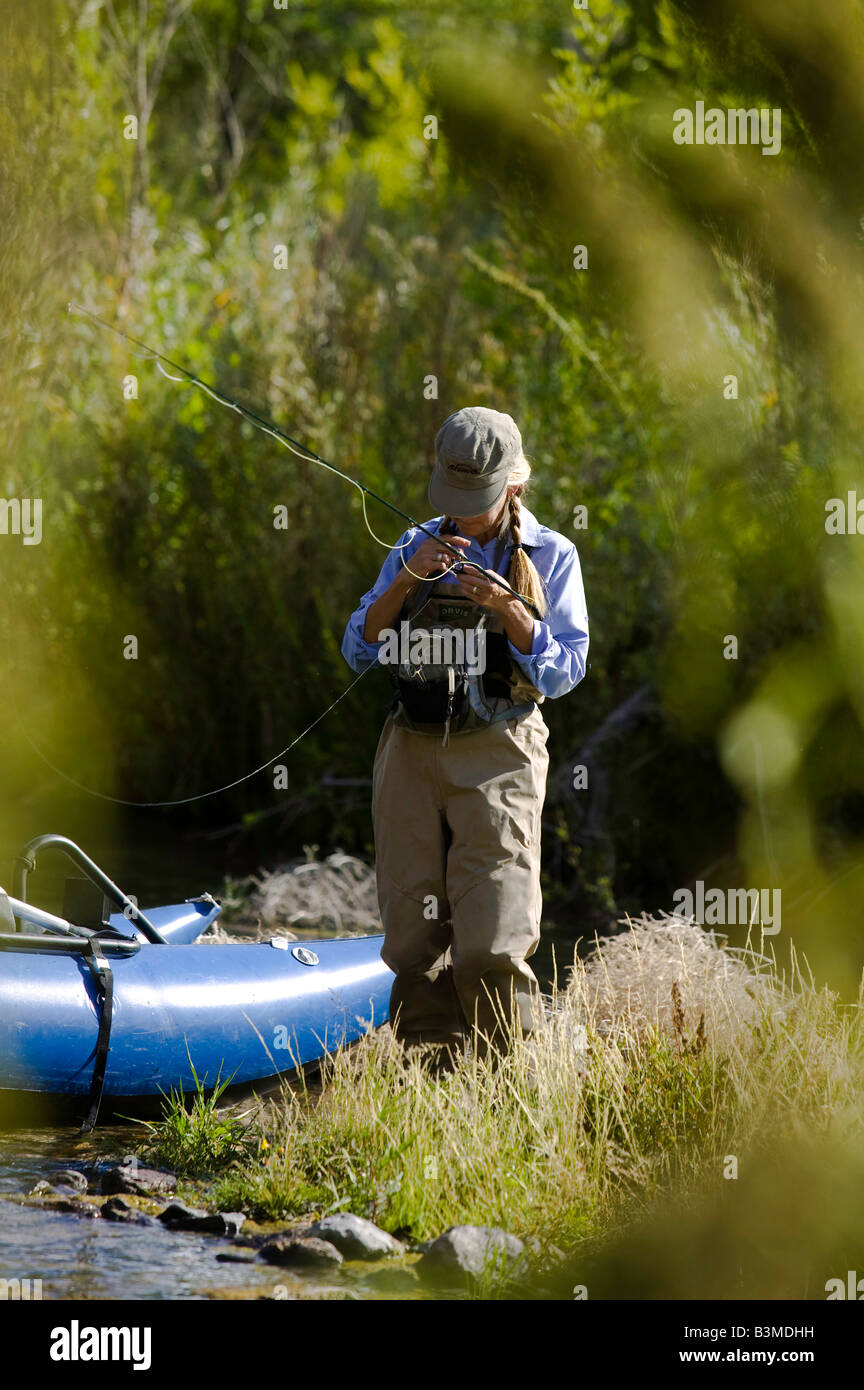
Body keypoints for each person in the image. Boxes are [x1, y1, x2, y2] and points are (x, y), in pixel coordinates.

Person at [342, 405, 589, 1066]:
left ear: (513, 484)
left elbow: (564, 673)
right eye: (455, 498)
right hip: (410, 756)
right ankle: (430, 1086)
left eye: (478, 499)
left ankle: (508, 1094)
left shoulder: (553, 555)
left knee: (491, 944)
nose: (465, 512)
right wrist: (406, 579)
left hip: (500, 756)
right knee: (412, 944)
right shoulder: (413, 545)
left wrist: (509, 607)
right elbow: (358, 649)